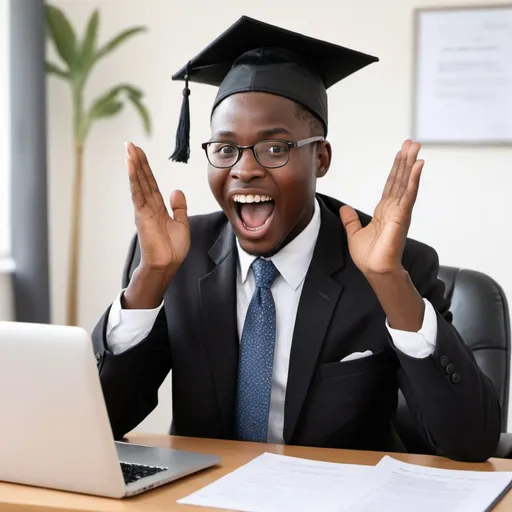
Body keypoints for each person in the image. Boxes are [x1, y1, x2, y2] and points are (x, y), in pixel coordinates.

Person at [92, 16, 500, 462]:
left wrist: (391, 285)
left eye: (274, 148)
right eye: (225, 148)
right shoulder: (177, 257)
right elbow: (100, 423)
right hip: (203, 498)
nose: (244, 169)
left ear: (320, 157)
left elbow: (471, 443)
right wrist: (150, 280)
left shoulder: (393, 265)